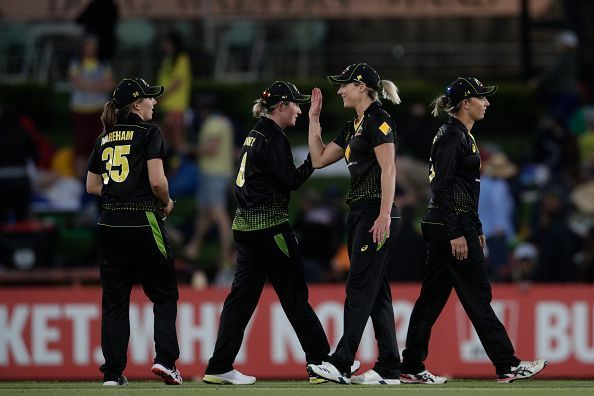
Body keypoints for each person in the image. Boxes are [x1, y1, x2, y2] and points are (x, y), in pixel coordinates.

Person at [399, 77, 548, 384]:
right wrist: (457, 231)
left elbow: (463, 188)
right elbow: (441, 187)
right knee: (477, 294)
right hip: (447, 224)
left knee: (432, 298)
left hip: (446, 222)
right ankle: (507, 364)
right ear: (466, 103)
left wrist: (474, 226)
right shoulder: (455, 136)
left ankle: (411, 365)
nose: (487, 102)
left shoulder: (457, 134)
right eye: (482, 98)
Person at [202, 81, 333, 385]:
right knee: (295, 297)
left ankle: (220, 365)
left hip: (245, 229)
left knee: (240, 301)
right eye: (296, 105)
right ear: (281, 107)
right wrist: (313, 161)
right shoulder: (273, 136)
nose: (299, 110)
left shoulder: (253, 133)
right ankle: (320, 363)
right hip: (271, 229)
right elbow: (291, 180)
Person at [306, 62, 403, 385]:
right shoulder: (353, 127)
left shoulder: (379, 120)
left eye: (345, 85)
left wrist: (384, 214)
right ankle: (390, 365)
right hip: (362, 212)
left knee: (359, 287)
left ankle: (343, 361)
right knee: (377, 292)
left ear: (362, 87)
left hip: (377, 210)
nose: (339, 90)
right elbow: (319, 159)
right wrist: (314, 120)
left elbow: (389, 170)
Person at [86, 77, 182, 386]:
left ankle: (113, 374)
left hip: (108, 224)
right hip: (143, 221)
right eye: (150, 98)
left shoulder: (104, 137)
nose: (155, 102)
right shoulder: (149, 133)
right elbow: (157, 182)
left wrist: (118, 194)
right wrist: (166, 203)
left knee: (115, 300)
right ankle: (165, 361)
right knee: (165, 294)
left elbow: (92, 185)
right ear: (137, 103)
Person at [183, 94, 234, 272]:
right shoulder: (223, 121)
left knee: (218, 214)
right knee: (205, 212)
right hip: (217, 172)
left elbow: (211, 148)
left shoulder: (212, 124)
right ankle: (194, 247)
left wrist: (189, 149)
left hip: (215, 173)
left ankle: (227, 253)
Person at [69, 35, 114, 178]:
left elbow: (110, 84)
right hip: (80, 109)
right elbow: (78, 83)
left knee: (100, 145)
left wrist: (89, 85)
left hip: (99, 109)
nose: (91, 49)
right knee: (81, 146)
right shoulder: (76, 64)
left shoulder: (104, 64)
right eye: (88, 46)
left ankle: (99, 177)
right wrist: (98, 85)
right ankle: (80, 178)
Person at [156, 30, 192, 153]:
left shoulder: (182, 59)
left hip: (177, 106)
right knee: (167, 138)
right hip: (166, 105)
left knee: (177, 139)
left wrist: (161, 96)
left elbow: (177, 83)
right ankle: (172, 166)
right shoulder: (168, 60)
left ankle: (183, 166)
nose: (164, 45)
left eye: (166, 42)